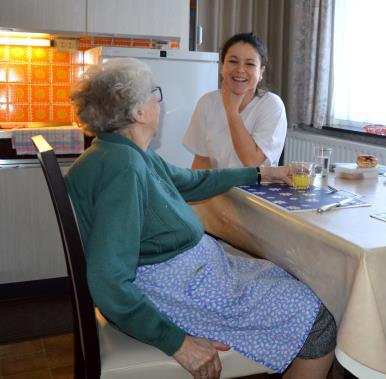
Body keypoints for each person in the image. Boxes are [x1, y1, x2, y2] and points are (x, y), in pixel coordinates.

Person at [66, 57, 335, 379]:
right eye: (154, 93)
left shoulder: (120, 153)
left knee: (299, 281)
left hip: (194, 278)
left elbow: (191, 181)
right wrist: (177, 343)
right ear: (139, 113)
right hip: (181, 290)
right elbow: (107, 279)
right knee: (319, 315)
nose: (158, 102)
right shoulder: (123, 169)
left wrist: (264, 173)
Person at [183, 32, 287, 169]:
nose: (240, 70)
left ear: (261, 72)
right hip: (217, 189)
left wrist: (231, 111)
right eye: (233, 61)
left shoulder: (272, 105)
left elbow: (252, 163)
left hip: (255, 189)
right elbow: (202, 161)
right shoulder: (207, 102)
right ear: (222, 67)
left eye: (250, 64)